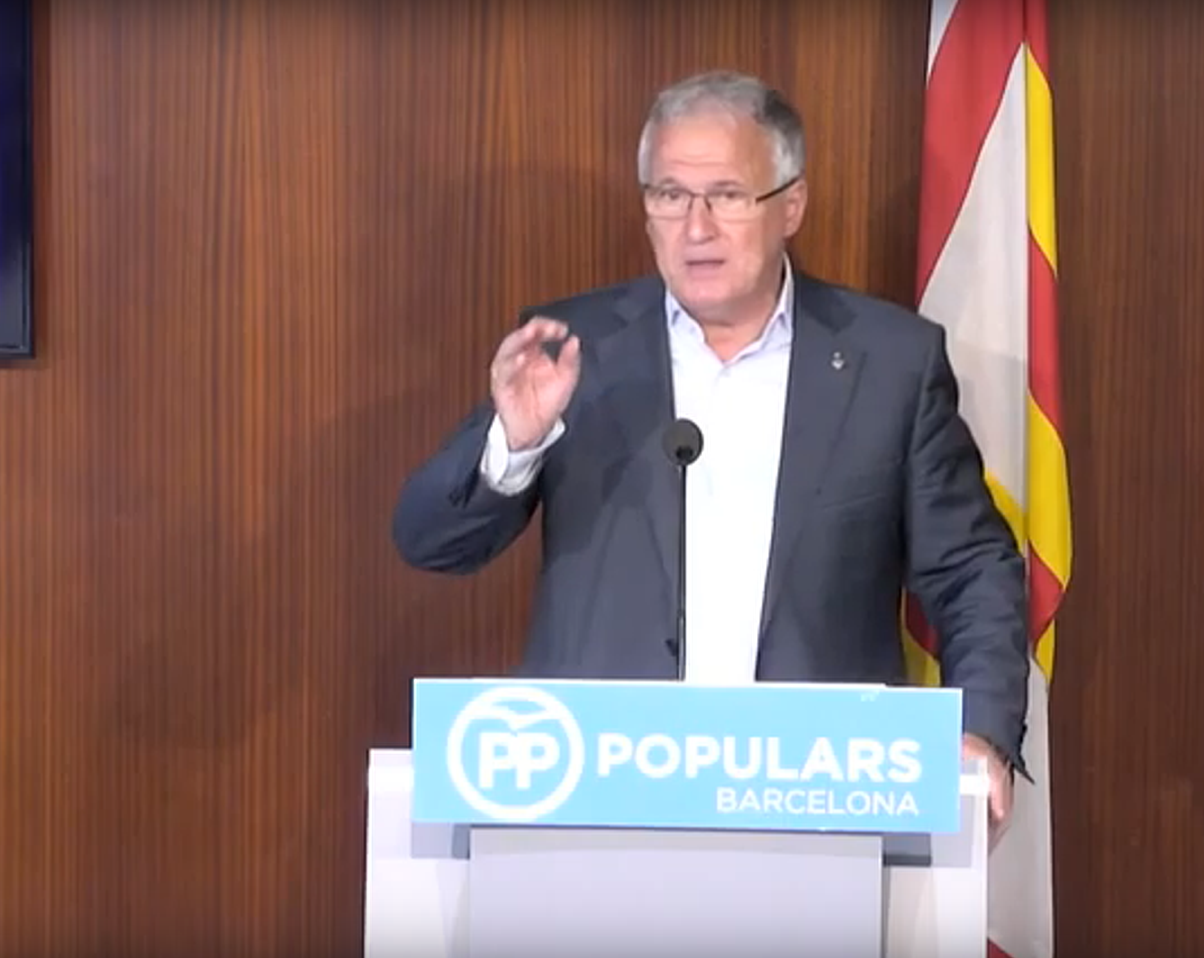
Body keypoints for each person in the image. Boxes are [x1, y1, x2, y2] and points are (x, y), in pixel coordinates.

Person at [391, 70, 1030, 836]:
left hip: (816, 803)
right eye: (670, 195)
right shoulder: (576, 351)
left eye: (726, 195)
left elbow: (971, 569)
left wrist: (981, 733)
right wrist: (513, 442)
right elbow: (430, 541)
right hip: (597, 799)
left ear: (791, 204)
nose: (695, 228)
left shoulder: (890, 363)